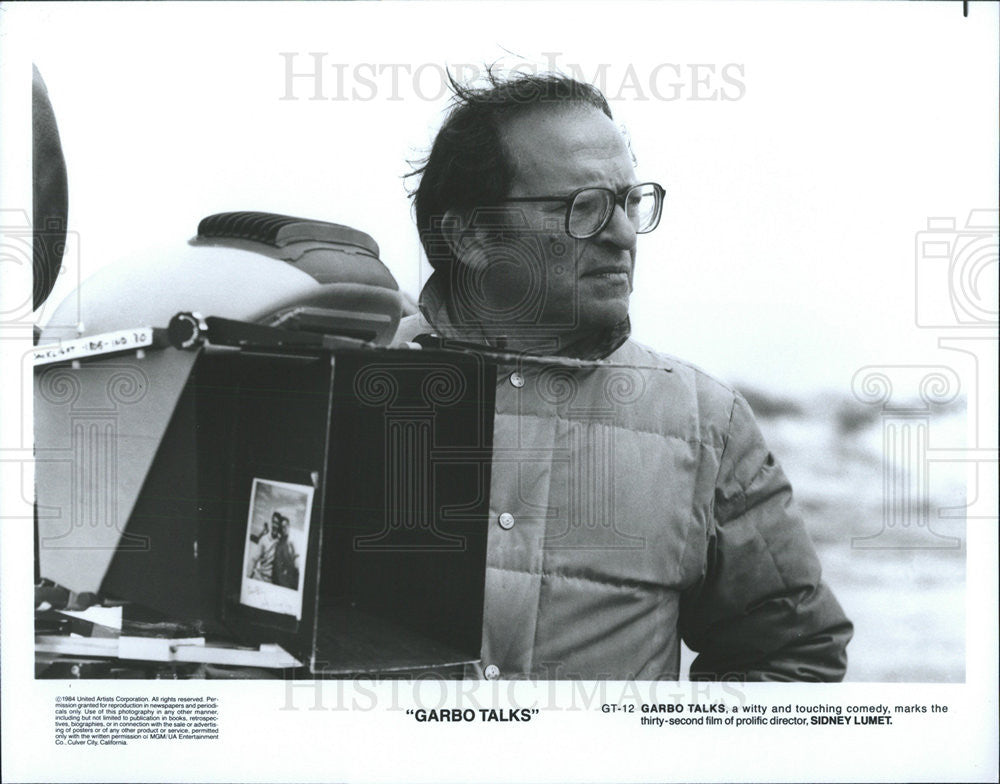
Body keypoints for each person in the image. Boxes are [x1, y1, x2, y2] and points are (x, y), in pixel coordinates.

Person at [396, 70, 852, 681]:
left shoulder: (705, 426)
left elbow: (792, 653)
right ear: (471, 234)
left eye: (630, 202)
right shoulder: (346, 389)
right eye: (584, 207)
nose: (623, 234)